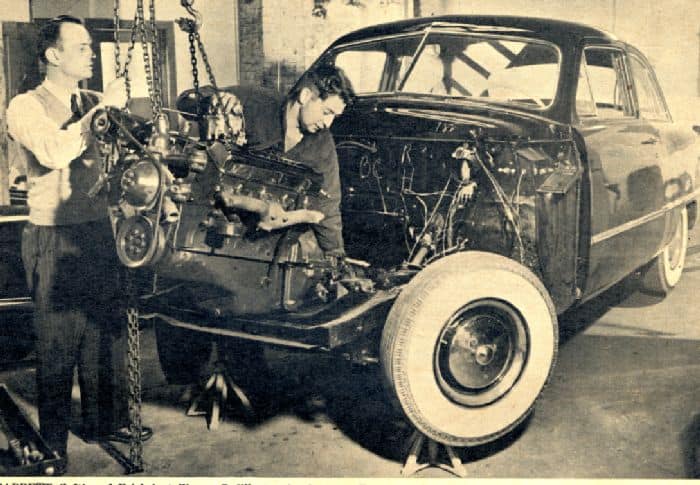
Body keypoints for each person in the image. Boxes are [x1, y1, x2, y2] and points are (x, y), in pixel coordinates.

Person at [6, 15, 152, 468]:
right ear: (53, 55)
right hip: (52, 236)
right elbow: (53, 151)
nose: (91, 54)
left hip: (97, 232)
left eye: (91, 47)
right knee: (58, 343)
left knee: (104, 334)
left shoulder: (89, 100)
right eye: (82, 47)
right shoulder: (24, 106)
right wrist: (100, 113)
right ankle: (52, 445)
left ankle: (104, 421)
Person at [178, 63, 355, 258]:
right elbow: (185, 101)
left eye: (335, 116)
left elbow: (328, 204)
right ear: (305, 96)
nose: (328, 123)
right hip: (211, 220)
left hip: (269, 237)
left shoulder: (322, 144)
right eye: (327, 112)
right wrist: (212, 100)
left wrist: (335, 254)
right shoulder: (255, 102)